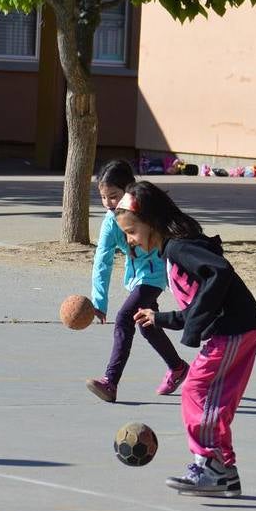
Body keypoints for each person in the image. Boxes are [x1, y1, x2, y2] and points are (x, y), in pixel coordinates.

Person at [116, 182, 256, 496]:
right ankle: (223, 471)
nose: (130, 240)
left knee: (197, 390)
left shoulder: (178, 247)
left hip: (232, 329)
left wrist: (194, 327)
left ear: (151, 222)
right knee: (214, 401)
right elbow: (199, 305)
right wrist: (163, 318)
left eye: (131, 231)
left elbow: (219, 272)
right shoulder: (175, 250)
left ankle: (210, 464)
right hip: (236, 328)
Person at [84, 160, 188, 403]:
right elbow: (102, 260)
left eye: (114, 196)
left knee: (124, 319)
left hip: (155, 275)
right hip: (137, 278)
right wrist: (99, 300)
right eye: (103, 197)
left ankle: (110, 382)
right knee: (146, 324)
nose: (109, 203)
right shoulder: (110, 222)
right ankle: (178, 367)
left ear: (128, 189)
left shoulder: (146, 210)